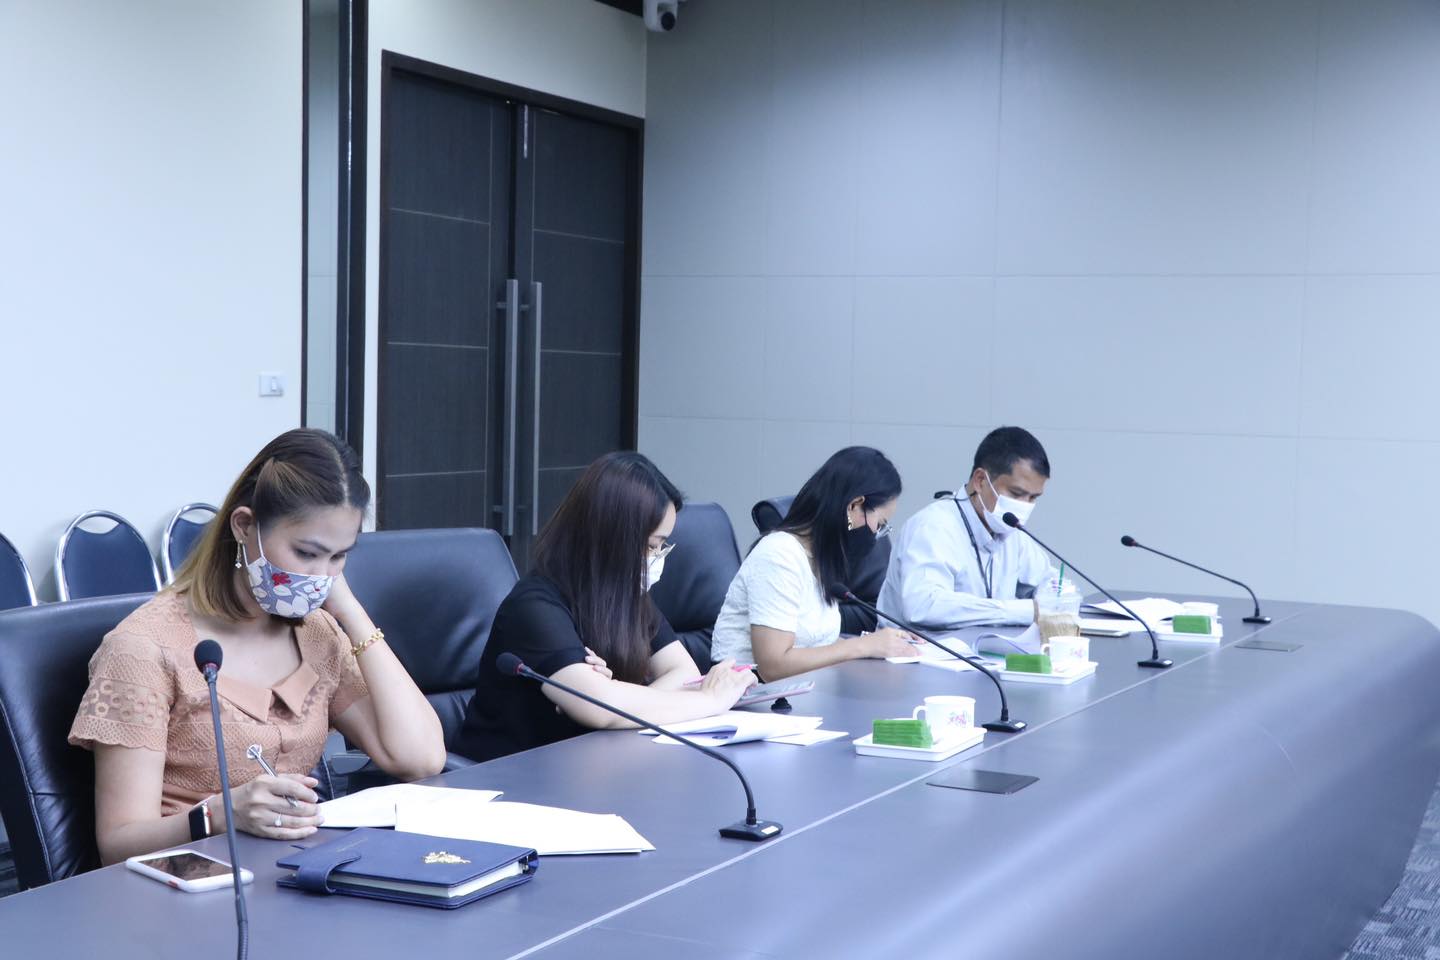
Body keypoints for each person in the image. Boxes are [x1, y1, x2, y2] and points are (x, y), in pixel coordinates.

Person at [69, 429, 446, 864]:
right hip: (188, 880)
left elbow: (420, 759)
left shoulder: (318, 631)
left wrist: (350, 610)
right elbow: (117, 844)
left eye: (339, 557)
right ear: (245, 526)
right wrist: (219, 814)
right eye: (307, 553)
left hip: (294, 868)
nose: (321, 575)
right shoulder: (142, 649)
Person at [455, 451, 756, 763]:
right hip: (508, 775)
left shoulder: (627, 598)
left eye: (661, 546)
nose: (657, 557)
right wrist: (709, 700)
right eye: (651, 545)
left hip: (590, 766)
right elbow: (599, 706)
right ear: (611, 538)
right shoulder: (534, 606)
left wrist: (618, 697)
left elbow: (682, 672)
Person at [709, 446, 916, 682]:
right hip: (752, 694)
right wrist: (863, 646)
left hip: (806, 691)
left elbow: (816, 645)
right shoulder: (779, 555)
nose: (877, 534)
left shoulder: (821, 559)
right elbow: (773, 666)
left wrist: (882, 644)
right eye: (880, 523)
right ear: (854, 506)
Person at [877, 426, 1057, 630]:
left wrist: (1053, 599)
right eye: (1016, 494)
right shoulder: (934, 526)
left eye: (1033, 498)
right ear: (980, 481)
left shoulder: (1012, 532)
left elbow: (1051, 582)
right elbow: (923, 605)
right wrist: (1020, 611)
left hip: (983, 647)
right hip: (916, 649)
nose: (1024, 505)